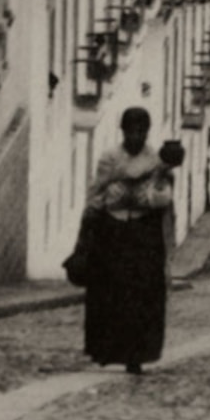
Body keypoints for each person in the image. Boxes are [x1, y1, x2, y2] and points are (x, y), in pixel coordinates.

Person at [81, 111, 178, 376]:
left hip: (144, 231)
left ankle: (137, 354)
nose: (136, 136)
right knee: (113, 293)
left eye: (141, 131)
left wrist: (160, 178)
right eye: (131, 131)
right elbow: (96, 192)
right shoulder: (110, 158)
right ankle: (110, 350)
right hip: (113, 231)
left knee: (142, 295)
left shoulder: (154, 158)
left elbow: (164, 196)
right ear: (123, 131)